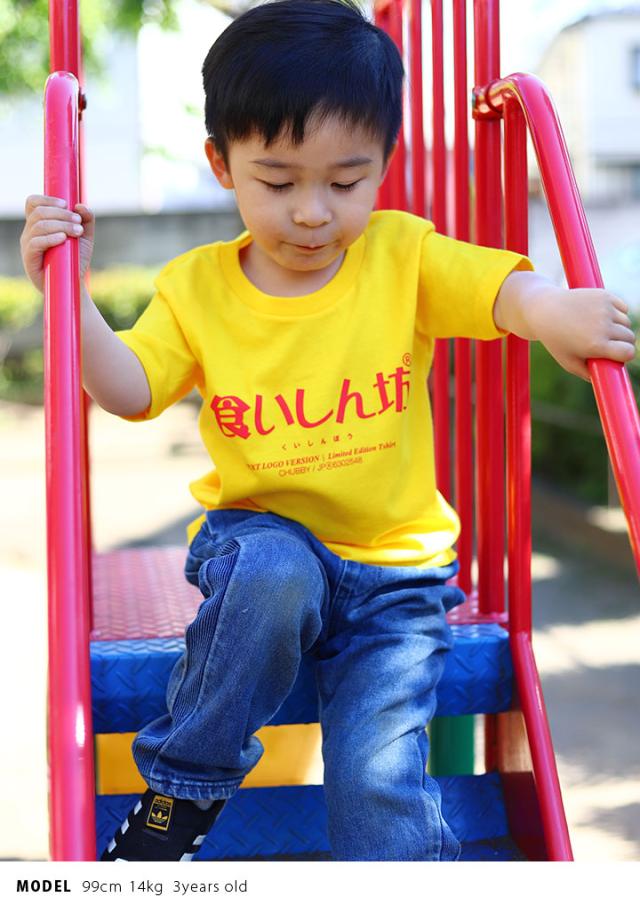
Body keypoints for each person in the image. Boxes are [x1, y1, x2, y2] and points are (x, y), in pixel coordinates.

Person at [21, 0, 635, 863]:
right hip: (261, 543)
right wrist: (70, 298)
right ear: (221, 164)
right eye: (278, 182)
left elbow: (499, 290)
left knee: (378, 773)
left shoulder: (402, 253)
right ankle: (181, 795)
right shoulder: (196, 288)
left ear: (383, 164)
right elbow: (129, 389)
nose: (312, 212)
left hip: (397, 575)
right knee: (274, 572)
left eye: (345, 182)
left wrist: (553, 310)